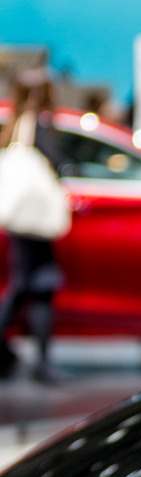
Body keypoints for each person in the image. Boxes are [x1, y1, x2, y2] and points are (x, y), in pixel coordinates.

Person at [0, 69, 70, 384]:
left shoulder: (14, 125)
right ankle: (43, 363)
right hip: (35, 220)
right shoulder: (40, 124)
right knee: (40, 286)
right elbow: (55, 164)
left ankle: (32, 358)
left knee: (22, 286)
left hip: (19, 218)